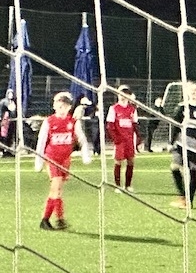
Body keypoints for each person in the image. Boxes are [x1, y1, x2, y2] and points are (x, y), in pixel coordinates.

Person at [35, 92, 92, 231]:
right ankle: (46, 219)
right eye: (59, 106)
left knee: (58, 191)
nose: (61, 109)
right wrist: (39, 162)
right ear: (54, 106)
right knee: (56, 188)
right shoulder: (49, 122)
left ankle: (58, 219)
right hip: (52, 159)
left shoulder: (72, 122)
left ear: (69, 107)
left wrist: (85, 155)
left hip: (65, 160)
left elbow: (82, 140)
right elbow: (41, 142)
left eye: (64, 106)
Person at [170, 82, 196, 210]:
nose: (194, 92)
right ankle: (183, 196)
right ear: (187, 92)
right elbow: (175, 126)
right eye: (191, 90)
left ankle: (189, 201)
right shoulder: (181, 107)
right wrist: (171, 142)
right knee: (174, 167)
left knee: (193, 171)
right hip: (181, 142)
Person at [106, 86, 141, 193]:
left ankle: (128, 185)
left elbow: (135, 124)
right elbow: (110, 126)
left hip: (129, 139)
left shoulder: (132, 109)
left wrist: (138, 137)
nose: (123, 96)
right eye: (121, 94)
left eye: (126, 94)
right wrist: (115, 138)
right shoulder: (114, 108)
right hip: (120, 140)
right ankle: (118, 186)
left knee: (131, 161)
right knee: (118, 161)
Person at [0, 88, 18, 157]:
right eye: (9, 93)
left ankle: (8, 150)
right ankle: (2, 150)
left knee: (10, 135)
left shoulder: (13, 102)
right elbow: (11, 108)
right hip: (4, 121)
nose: (11, 95)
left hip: (11, 121)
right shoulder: (4, 101)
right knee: (3, 135)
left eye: (12, 94)